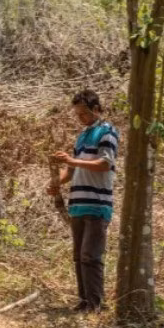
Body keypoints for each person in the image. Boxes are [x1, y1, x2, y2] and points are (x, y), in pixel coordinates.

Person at [47, 89, 119, 312]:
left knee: (91, 255)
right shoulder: (81, 136)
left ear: (97, 109)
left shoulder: (108, 132)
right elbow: (70, 171)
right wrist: (56, 182)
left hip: (97, 203)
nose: (81, 118)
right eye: (78, 114)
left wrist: (73, 161)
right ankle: (84, 300)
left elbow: (105, 163)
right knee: (79, 255)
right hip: (77, 203)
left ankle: (96, 302)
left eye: (85, 114)